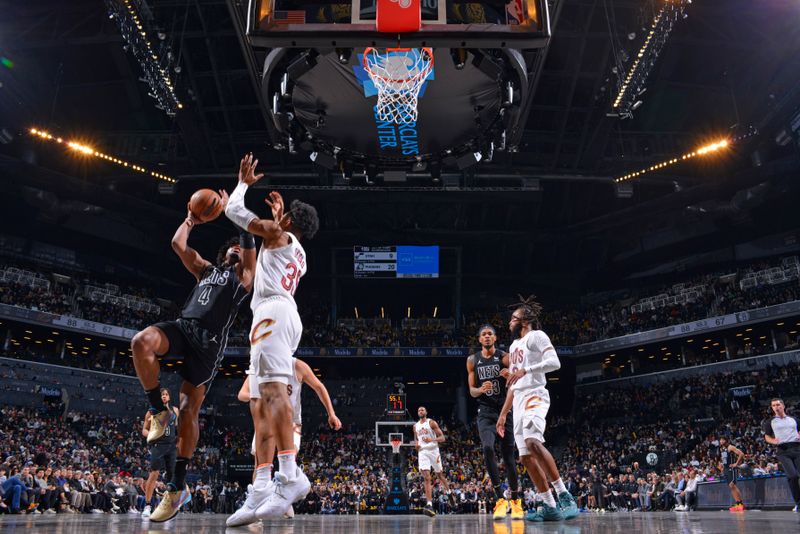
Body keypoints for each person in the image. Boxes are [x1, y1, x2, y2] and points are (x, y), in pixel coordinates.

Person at [131, 192, 256, 522]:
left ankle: (177, 487)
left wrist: (233, 213)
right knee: (141, 341)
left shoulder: (242, 279)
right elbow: (177, 244)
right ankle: (158, 411)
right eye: (232, 247)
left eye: (240, 248)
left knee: (189, 410)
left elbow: (249, 249)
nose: (237, 249)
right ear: (223, 252)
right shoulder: (205, 269)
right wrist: (191, 218)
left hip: (208, 346)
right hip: (183, 328)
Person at [224, 153, 320, 519]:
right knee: (259, 402)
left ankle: (291, 475)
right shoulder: (299, 253)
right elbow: (270, 244)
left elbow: (234, 211)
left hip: (273, 315)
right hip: (274, 314)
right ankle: (262, 484)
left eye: (283, 216)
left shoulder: (279, 234)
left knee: (274, 395)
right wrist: (278, 221)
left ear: (289, 221)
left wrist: (244, 184)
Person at [227, 356, 341, 526]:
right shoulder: (262, 366)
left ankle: (284, 495)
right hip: (266, 420)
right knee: (260, 463)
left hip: (291, 420)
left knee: (288, 456)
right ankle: (258, 500)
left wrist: (331, 413)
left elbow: (319, 386)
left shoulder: (298, 366)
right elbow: (241, 394)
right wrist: (258, 393)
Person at [496, 295, 578, 522]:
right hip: (519, 400)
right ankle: (549, 505)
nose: (509, 323)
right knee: (524, 457)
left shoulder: (536, 336)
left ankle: (564, 494)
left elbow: (555, 362)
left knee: (533, 441)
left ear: (524, 321)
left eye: (513, 319)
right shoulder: (514, 346)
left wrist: (525, 370)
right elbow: (513, 383)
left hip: (535, 395)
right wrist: (503, 414)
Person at [466, 324, 523, 520]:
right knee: (488, 448)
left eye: (490, 334)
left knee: (508, 457)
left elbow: (518, 382)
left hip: (505, 410)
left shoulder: (505, 357)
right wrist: (481, 390)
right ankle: (500, 500)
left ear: (495, 337)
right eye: (484, 334)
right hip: (485, 412)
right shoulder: (472, 360)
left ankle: (515, 501)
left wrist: (510, 376)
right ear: (479, 339)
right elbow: (472, 390)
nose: (487, 337)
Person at [141, 388, 180, 518]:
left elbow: (177, 429)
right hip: (158, 445)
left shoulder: (175, 411)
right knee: (154, 474)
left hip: (171, 446)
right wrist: (152, 435)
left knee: (172, 477)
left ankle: (168, 507)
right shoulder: (151, 411)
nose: (164, 396)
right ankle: (147, 505)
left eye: (166, 394)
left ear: (169, 397)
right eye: (162, 395)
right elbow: (144, 430)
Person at [413, 406, 453, 517]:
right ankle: (429, 505)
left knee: (439, 475)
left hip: (433, 450)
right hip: (422, 452)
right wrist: (416, 445)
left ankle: (449, 492)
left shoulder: (431, 423)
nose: (420, 411)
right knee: (426, 477)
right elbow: (416, 439)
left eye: (422, 410)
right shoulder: (415, 426)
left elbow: (443, 438)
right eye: (419, 410)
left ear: (426, 412)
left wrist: (432, 439)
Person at [762, 398, 800, 512]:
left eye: (778, 404)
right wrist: (773, 441)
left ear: (783, 406)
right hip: (783, 451)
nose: (776, 407)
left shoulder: (793, 419)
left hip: (797, 448)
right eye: (773, 405)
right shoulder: (770, 422)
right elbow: (767, 436)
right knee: (793, 476)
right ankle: (798, 502)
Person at [717, 436, 746, 512]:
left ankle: (741, 504)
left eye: (723, 440)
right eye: (720, 440)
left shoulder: (731, 447)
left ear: (726, 440)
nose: (721, 441)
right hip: (726, 469)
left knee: (733, 485)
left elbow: (741, 454)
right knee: (731, 487)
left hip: (731, 468)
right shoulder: (722, 449)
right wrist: (722, 466)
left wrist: (736, 464)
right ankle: (737, 504)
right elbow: (724, 459)